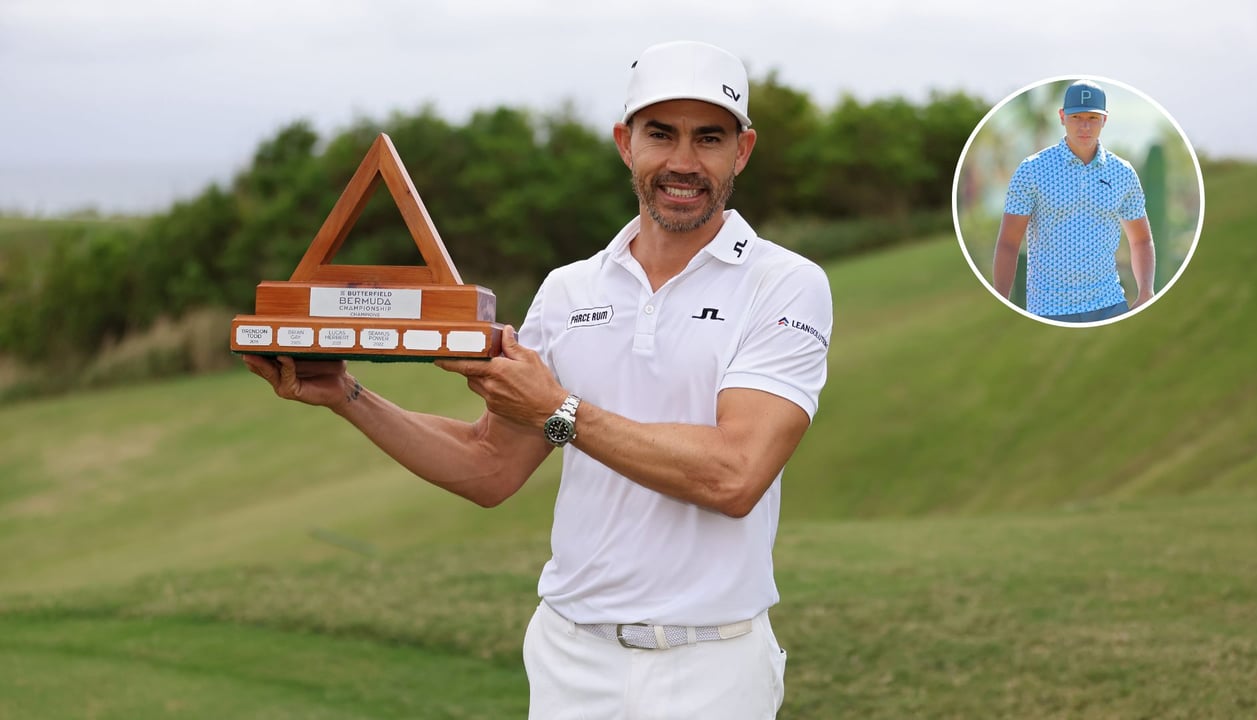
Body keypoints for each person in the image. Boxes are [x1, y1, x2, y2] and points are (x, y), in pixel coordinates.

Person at [243, 40, 832, 719]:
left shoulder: (784, 284)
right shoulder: (567, 289)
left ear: (743, 150)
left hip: (712, 664)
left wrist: (560, 410)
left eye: (709, 138)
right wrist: (346, 396)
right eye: (660, 134)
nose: (682, 162)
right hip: (571, 657)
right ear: (624, 142)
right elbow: (490, 466)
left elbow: (735, 476)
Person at [992, 80, 1156, 323]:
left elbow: (1141, 240)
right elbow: (1008, 243)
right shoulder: (1032, 170)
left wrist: (1145, 292)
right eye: (1076, 117)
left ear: (1104, 120)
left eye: (1092, 117)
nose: (1084, 126)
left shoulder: (1123, 172)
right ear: (1062, 117)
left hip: (1109, 305)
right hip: (1048, 309)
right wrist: (1002, 304)